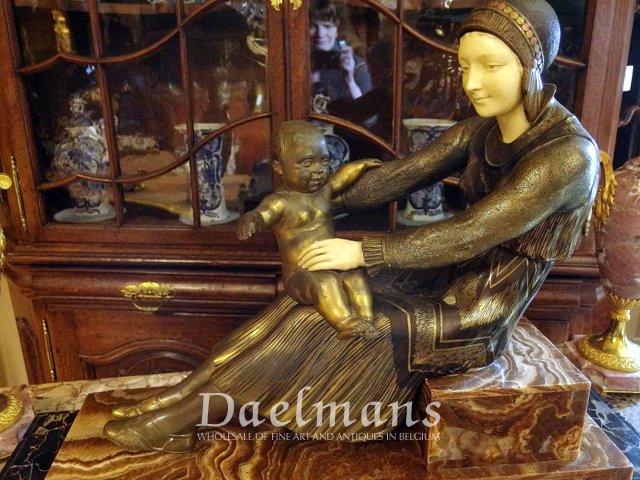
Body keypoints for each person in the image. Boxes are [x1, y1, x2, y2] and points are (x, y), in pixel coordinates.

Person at [103, 0, 599, 453]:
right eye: (465, 66)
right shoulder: (482, 129)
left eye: (491, 66)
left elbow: (472, 231)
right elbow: (398, 176)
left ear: (532, 65)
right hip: (442, 274)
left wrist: (364, 251)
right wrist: (311, 204)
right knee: (307, 297)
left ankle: (183, 417)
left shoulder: (566, 157)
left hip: (480, 307)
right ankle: (180, 397)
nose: (471, 83)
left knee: (323, 322)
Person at [237, 121, 381, 340]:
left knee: (356, 277)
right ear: (278, 167)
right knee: (325, 282)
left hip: (334, 264)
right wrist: (250, 222)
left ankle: (366, 320)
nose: (318, 170)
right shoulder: (280, 202)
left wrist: (361, 165)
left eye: (324, 161)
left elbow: (342, 176)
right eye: (306, 163)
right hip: (301, 275)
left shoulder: (324, 191)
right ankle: (345, 323)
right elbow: (261, 215)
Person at [309, 0, 372, 103]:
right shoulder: (298, 61)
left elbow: (368, 110)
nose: (320, 34)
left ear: (337, 28)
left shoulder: (357, 66)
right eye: (313, 26)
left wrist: (350, 81)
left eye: (327, 26)